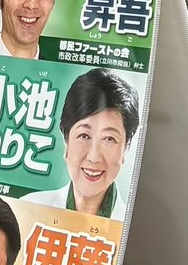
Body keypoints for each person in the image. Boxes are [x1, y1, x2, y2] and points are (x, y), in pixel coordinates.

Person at [27, 69, 140, 220]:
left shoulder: (132, 226)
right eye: (84, 135)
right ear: (66, 140)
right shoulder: (28, 208)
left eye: (109, 139)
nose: (94, 157)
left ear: (126, 147)